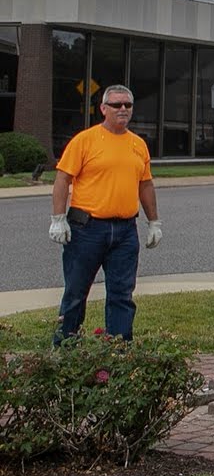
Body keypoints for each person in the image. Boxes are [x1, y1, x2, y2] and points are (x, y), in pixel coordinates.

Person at [49, 84, 161, 345]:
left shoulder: (138, 145)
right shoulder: (85, 141)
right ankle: (65, 348)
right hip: (87, 229)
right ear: (103, 109)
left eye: (128, 105)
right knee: (76, 292)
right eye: (116, 105)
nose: (123, 109)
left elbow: (145, 185)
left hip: (125, 231)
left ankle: (119, 351)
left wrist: (154, 221)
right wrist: (58, 218)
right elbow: (63, 179)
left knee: (122, 294)